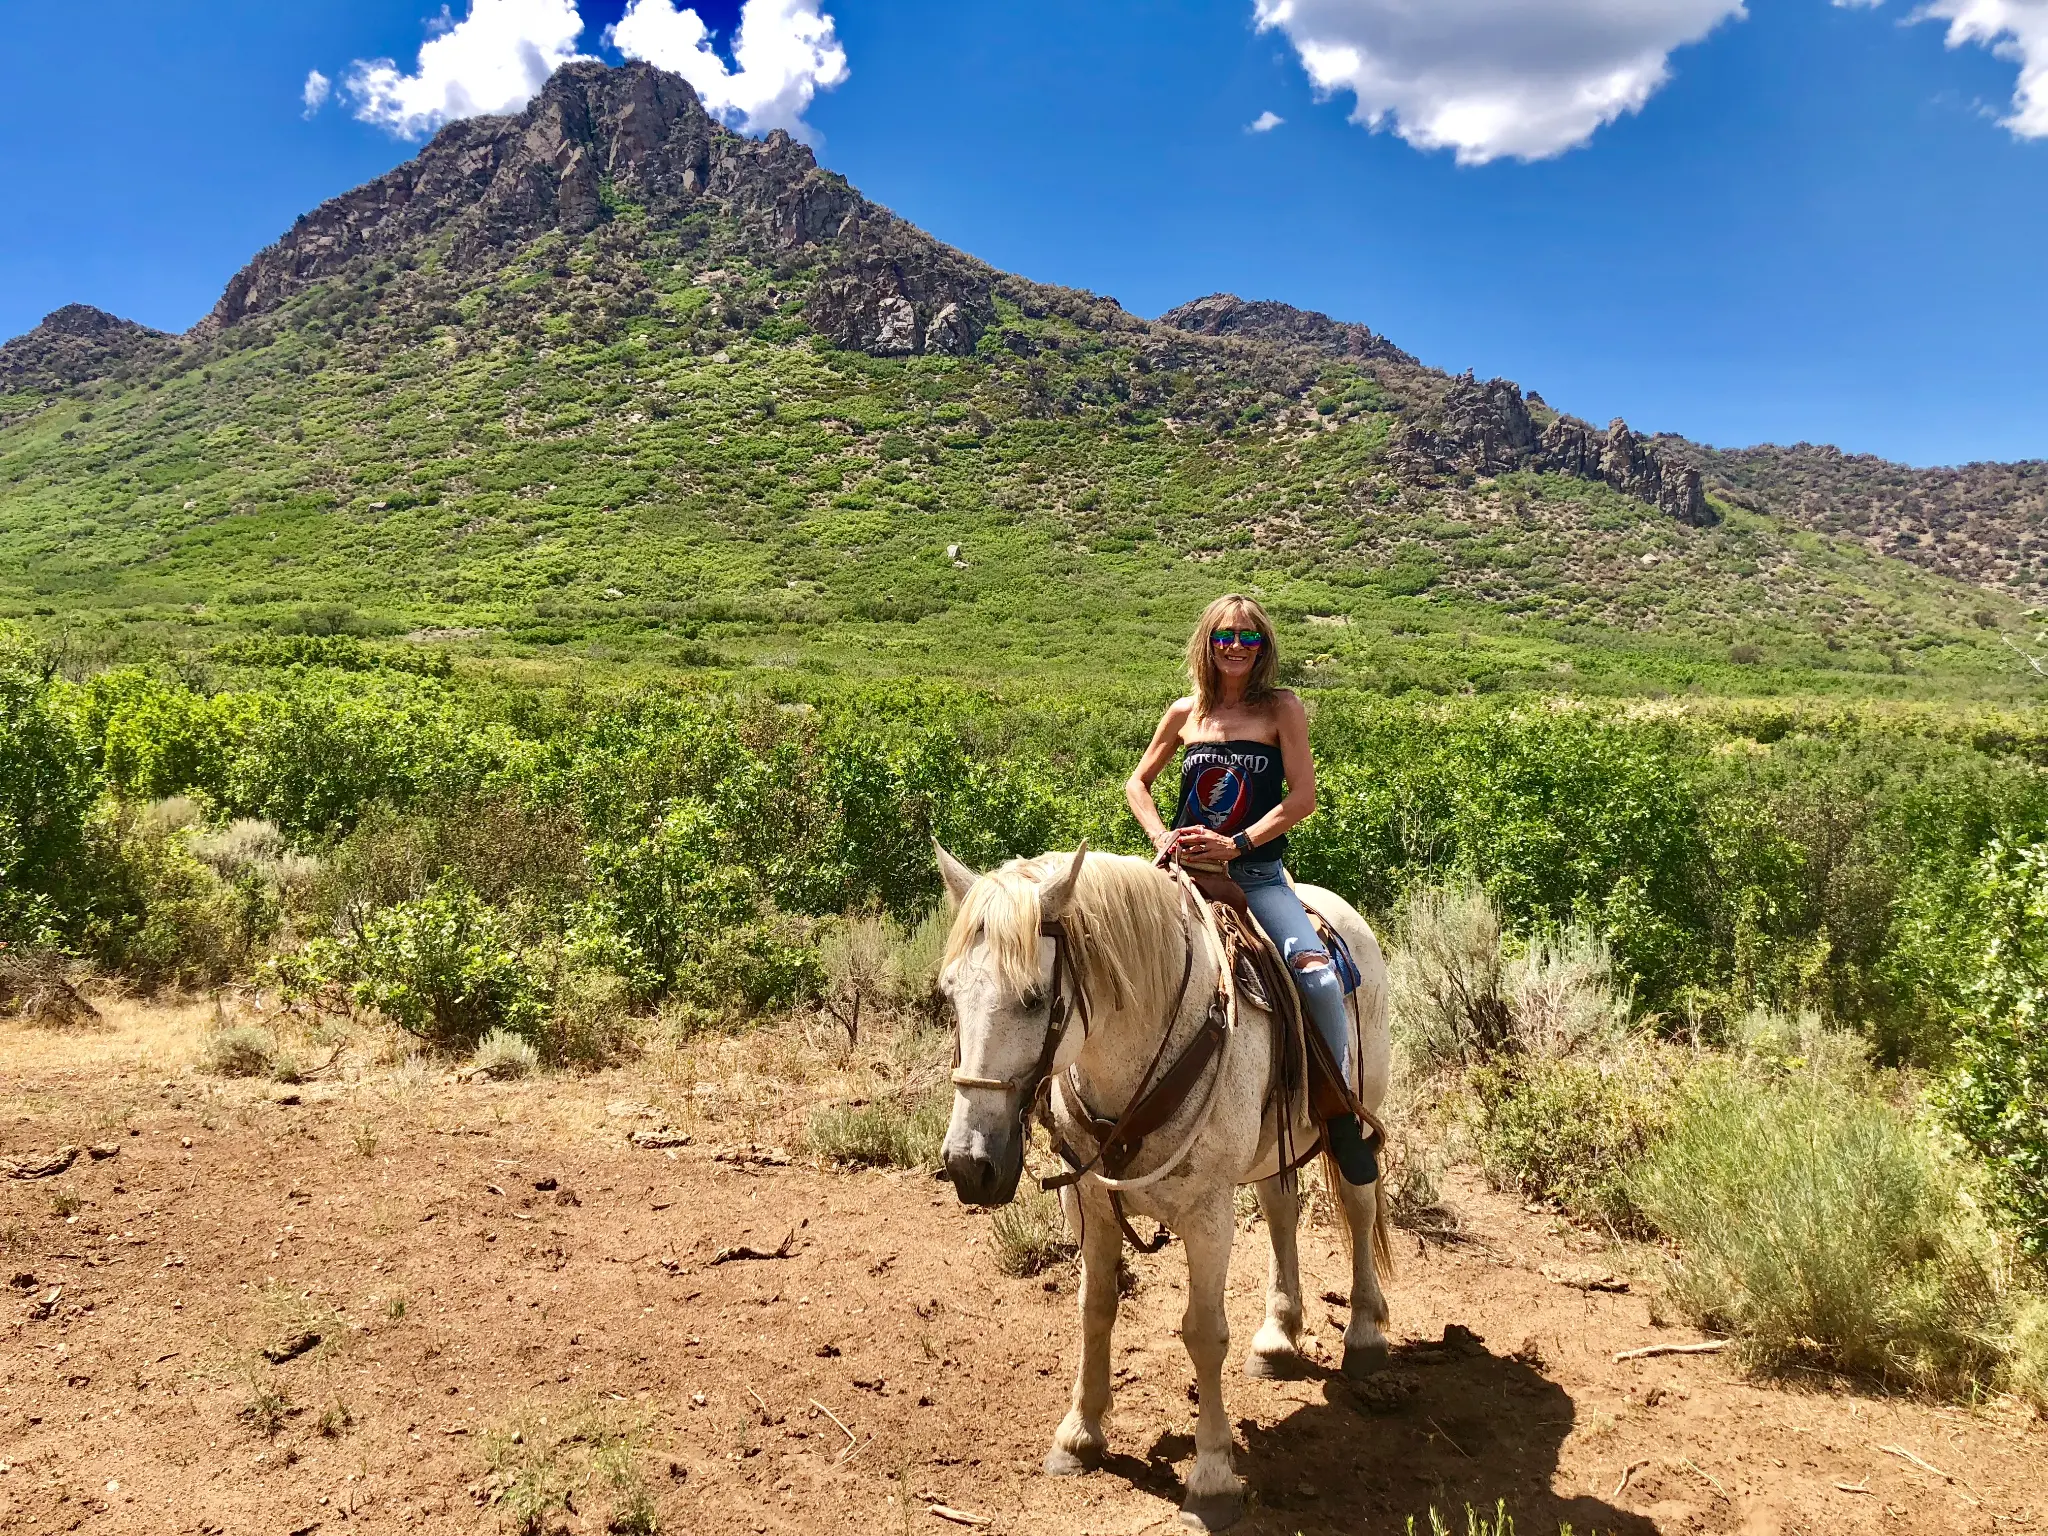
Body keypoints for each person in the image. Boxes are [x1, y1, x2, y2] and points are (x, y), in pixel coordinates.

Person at [1124, 593, 1378, 1185]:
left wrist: (1236, 845)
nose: (1235, 647)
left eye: (1247, 638)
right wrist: (1161, 834)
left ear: (1262, 647)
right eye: (1224, 637)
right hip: (1181, 875)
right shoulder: (1185, 713)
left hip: (1256, 876)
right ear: (1207, 644)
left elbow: (1301, 800)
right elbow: (1138, 782)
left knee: (1315, 975)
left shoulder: (1280, 709)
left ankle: (1336, 1110)